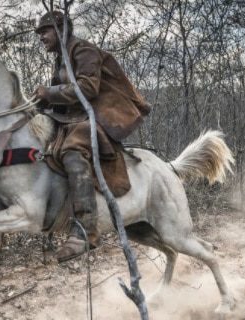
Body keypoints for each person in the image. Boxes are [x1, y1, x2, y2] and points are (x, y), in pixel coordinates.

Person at [33, 11, 150, 262]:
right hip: (72, 119)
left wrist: (49, 92)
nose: (41, 37)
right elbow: (62, 100)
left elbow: (88, 88)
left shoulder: (84, 50)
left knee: (72, 152)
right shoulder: (60, 59)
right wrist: (40, 104)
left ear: (61, 28)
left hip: (96, 119)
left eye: (45, 30)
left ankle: (86, 230)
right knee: (42, 149)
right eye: (39, 32)